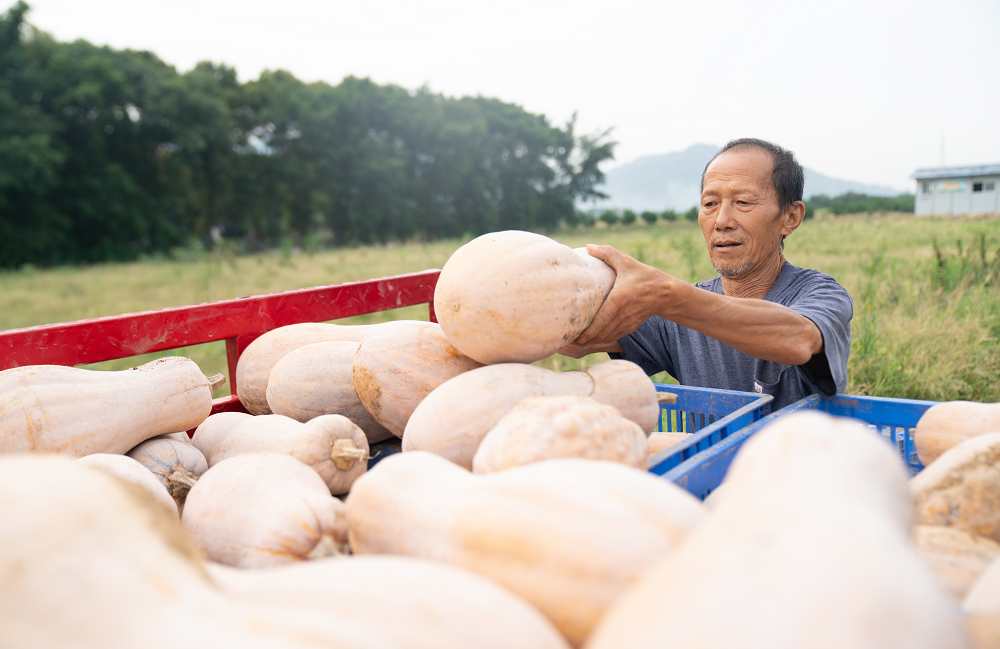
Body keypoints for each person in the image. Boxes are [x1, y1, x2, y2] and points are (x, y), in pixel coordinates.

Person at [561, 138, 853, 410]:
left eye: (743, 202)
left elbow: (798, 339)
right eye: (710, 204)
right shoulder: (674, 314)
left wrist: (669, 296)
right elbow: (577, 339)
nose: (722, 221)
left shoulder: (821, 294)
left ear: (790, 217)